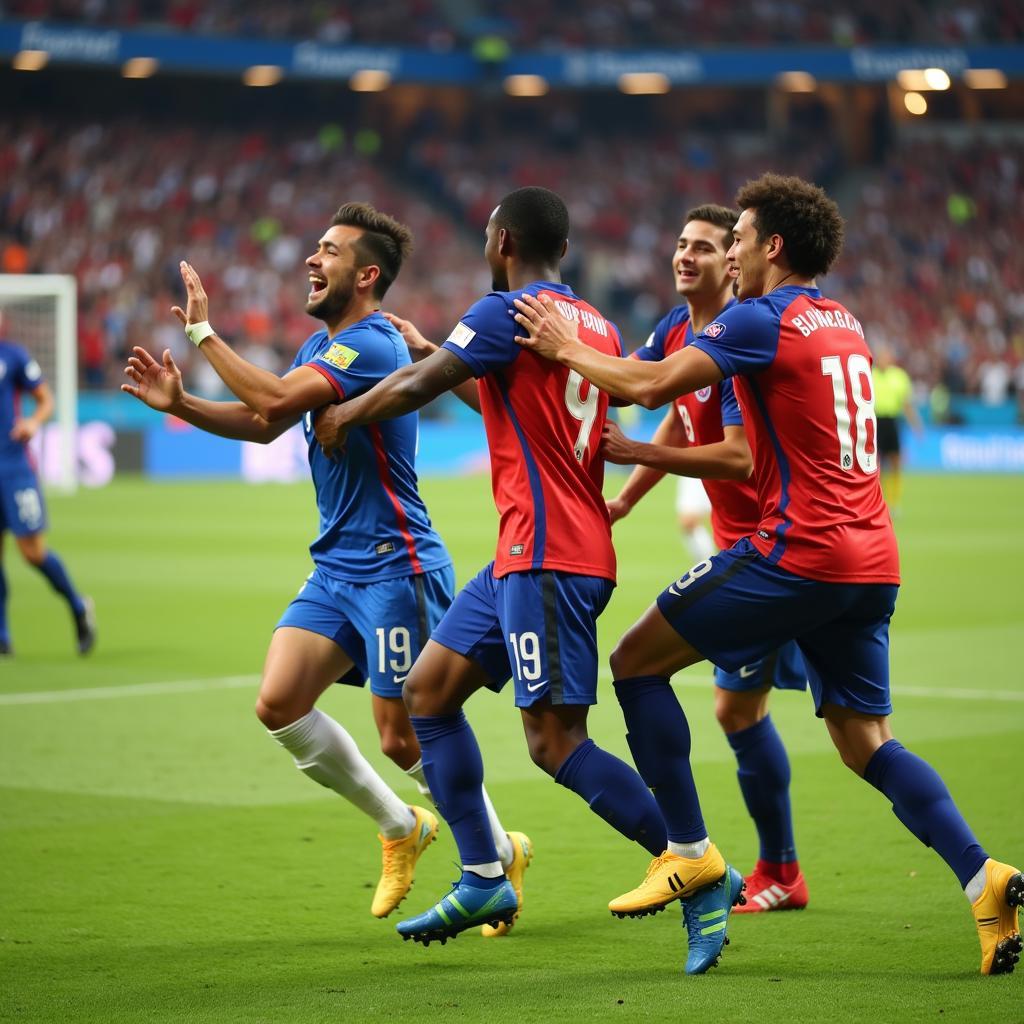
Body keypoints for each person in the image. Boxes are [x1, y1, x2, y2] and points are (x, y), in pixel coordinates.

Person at [513, 173, 1022, 976]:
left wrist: (562, 346)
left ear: (771, 247)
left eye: (739, 239)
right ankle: (982, 878)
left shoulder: (762, 317)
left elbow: (647, 389)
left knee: (635, 663)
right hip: (873, 562)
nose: (732, 252)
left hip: (799, 553)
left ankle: (685, 849)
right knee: (866, 743)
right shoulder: (842, 319)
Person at [122, 202, 528, 928]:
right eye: (314, 248)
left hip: (394, 565)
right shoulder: (322, 347)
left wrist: (202, 331)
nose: (312, 259)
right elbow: (262, 421)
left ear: (366, 275)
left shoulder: (371, 343)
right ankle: (403, 827)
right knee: (279, 702)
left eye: (329, 252)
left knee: (403, 734)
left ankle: (498, 851)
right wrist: (181, 400)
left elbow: (275, 399)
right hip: (337, 567)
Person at [313, 187, 690, 958]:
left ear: (504, 241)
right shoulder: (593, 324)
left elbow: (417, 389)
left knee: (553, 741)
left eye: (488, 238)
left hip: (549, 554)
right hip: (533, 550)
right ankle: (484, 869)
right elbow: (506, 402)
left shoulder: (502, 311)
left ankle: (690, 858)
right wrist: (438, 357)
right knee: (428, 691)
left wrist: (350, 411)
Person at [605, 204, 809, 913]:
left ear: (735, 260)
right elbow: (665, 405)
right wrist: (629, 498)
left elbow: (732, 457)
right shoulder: (675, 327)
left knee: (739, 710)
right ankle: (779, 869)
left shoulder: (738, 339)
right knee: (754, 710)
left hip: (775, 549)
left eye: (704, 247)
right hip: (747, 545)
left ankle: (778, 870)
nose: (684, 256)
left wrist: (636, 451)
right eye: (680, 243)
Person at [0, 313, 95, 656]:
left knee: (32, 553)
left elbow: (46, 399)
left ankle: (78, 607)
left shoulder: (14, 356)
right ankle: (3, 635)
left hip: (14, 467)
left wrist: (33, 421)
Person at [871, 344, 923, 514]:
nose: (883, 360)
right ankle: (878, 501)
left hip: (892, 422)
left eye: (886, 357)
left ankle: (894, 502)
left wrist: (916, 425)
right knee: (875, 465)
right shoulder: (870, 374)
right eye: (881, 357)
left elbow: (906, 404)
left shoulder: (899, 377)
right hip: (875, 421)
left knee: (895, 463)